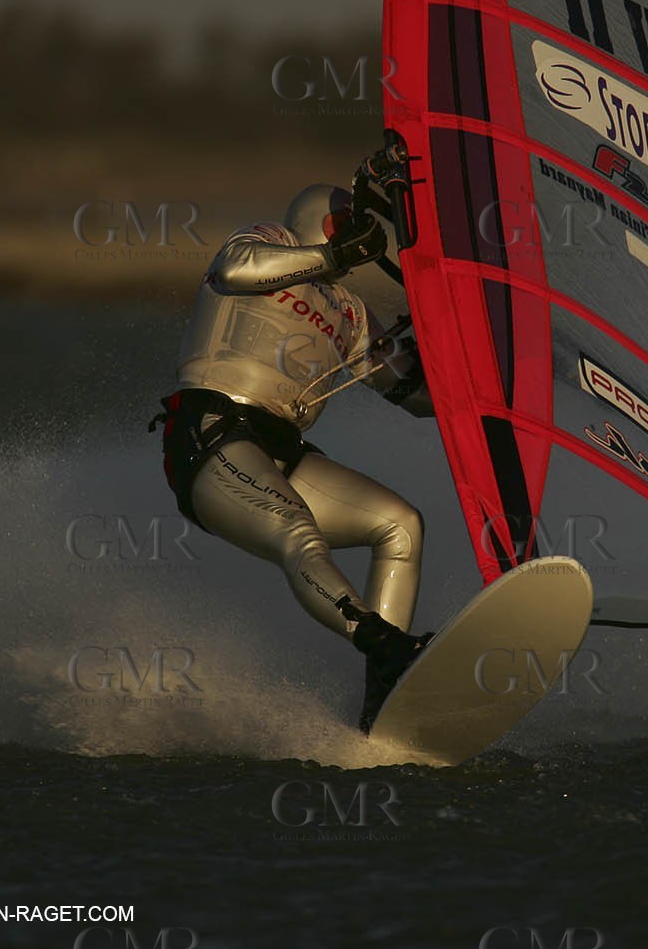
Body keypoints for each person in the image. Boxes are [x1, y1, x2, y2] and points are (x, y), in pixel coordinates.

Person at [151, 176, 435, 733]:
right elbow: (236, 271)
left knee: (400, 524)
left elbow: (413, 397)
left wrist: (448, 355)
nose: (355, 235)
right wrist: (332, 254)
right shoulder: (266, 242)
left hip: (282, 449)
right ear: (313, 223)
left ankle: (383, 701)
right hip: (212, 433)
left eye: (359, 230)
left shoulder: (351, 312)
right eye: (343, 225)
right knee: (298, 535)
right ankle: (384, 646)